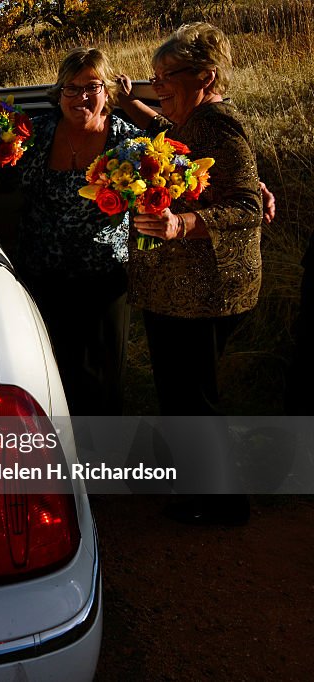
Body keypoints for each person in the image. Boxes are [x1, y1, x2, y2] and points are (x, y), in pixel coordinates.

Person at [117, 22, 262, 524]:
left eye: (165, 78)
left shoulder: (219, 123)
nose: (157, 89)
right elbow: (164, 136)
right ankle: (203, 491)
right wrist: (127, 103)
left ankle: (223, 505)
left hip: (202, 292)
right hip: (174, 291)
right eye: (153, 80)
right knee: (181, 396)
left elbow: (244, 203)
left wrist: (183, 223)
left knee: (193, 399)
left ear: (205, 75)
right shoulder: (186, 120)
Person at [13, 47, 142, 416]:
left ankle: (103, 463)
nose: (80, 96)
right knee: (46, 375)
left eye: (92, 86)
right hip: (40, 278)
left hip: (102, 282)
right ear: (59, 92)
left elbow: (177, 165)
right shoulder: (34, 133)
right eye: (70, 87)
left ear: (108, 93)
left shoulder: (126, 142)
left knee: (100, 383)